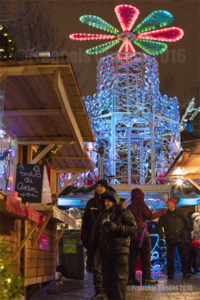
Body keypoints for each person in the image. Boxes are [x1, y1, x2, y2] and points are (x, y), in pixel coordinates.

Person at [98, 192, 137, 300]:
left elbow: (133, 229)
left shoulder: (124, 213)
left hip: (120, 252)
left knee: (119, 282)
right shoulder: (103, 215)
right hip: (106, 253)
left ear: (114, 201)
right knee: (107, 282)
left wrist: (115, 227)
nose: (106, 203)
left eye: (109, 201)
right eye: (104, 201)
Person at [127, 188, 166, 285]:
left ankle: (131, 279)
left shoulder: (129, 207)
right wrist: (162, 211)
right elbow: (150, 216)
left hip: (133, 236)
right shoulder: (141, 205)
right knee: (146, 258)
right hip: (143, 235)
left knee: (132, 259)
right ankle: (146, 278)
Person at [81, 179, 109, 300]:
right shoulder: (91, 203)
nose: (98, 188)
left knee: (107, 267)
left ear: (106, 188)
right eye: (97, 186)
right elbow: (85, 222)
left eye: (101, 186)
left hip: (108, 240)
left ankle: (107, 291)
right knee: (97, 267)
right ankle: (99, 291)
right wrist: (85, 237)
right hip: (95, 240)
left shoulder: (110, 202)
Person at [157, 198, 191, 279]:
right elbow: (159, 225)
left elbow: (186, 224)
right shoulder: (165, 215)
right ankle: (170, 273)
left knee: (183, 256)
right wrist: (162, 235)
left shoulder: (180, 213)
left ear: (174, 203)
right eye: (168, 203)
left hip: (180, 237)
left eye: (170, 202)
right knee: (170, 257)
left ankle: (186, 272)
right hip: (170, 237)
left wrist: (188, 234)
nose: (169, 204)